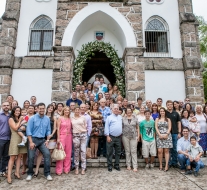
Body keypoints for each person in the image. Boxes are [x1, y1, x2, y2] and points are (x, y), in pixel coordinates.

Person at [26, 103, 52, 181]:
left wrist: (47, 140)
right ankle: (30, 173)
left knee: (47, 154)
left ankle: (47, 173)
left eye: (43, 108)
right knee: (31, 157)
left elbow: (48, 130)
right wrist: (30, 142)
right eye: (40, 108)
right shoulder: (32, 118)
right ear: (37, 109)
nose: (41, 110)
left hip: (42, 140)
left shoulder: (47, 118)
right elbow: (28, 130)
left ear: (45, 109)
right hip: (33, 139)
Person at [7, 106, 27, 184]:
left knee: (20, 156)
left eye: (19, 111)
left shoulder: (21, 119)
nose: (18, 112)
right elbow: (15, 128)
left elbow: (24, 128)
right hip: (15, 139)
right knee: (12, 157)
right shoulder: (11, 119)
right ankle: (9, 176)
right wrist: (20, 120)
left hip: (22, 139)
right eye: (17, 111)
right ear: (13, 111)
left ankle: (17, 173)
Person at [105, 104, 122, 172]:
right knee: (109, 152)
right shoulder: (109, 117)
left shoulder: (120, 117)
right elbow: (106, 127)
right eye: (114, 109)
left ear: (118, 110)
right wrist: (107, 136)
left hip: (118, 137)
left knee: (118, 152)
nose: (116, 110)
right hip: (111, 137)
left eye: (117, 109)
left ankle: (116, 164)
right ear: (112, 110)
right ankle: (109, 165)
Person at [56, 106, 72, 175]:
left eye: (68, 110)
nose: (67, 111)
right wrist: (58, 138)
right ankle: (59, 170)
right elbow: (58, 128)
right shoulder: (60, 118)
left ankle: (66, 169)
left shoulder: (70, 119)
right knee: (61, 152)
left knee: (68, 153)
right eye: (65, 110)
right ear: (63, 111)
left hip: (69, 136)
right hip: (62, 136)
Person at [71, 106, 87, 175]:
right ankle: (76, 167)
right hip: (76, 135)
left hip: (83, 134)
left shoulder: (83, 117)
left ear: (80, 110)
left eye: (78, 110)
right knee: (76, 152)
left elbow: (85, 125)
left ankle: (83, 168)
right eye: (76, 110)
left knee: (83, 151)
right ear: (74, 111)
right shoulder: (71, 118)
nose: (77, 111)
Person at [122, 107, 139, 172]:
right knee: (127, 151)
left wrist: (138, 136)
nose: (129, 112)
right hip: (125, 136)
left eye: (130, 111)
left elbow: (137, 128)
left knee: (133, 151)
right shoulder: (123, 119)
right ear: (126, 112)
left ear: (132, 111)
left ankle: (135, 166)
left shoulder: (135, 118)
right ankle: (128, 165)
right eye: (127, 111)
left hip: (134, 136)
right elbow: (122, 127)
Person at [166, 100, 181, 167]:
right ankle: (169, 163)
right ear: (166, 105)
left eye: (171, 104)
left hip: (175, 133)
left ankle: (174, 162)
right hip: (167, 133)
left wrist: (179, 132)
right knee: (168, 149)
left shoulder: (176, 113)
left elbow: (179, 123)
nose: (170, 106)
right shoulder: (165, 113)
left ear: (173, 105)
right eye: (168, 104)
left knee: (174, 148)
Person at [0, 101, 10, 178]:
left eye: (7, 105)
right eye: (4, 105)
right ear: (2, 106)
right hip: (1, 138)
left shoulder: (11, 116)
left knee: (5, 156)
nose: (6, 106)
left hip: (9, 139)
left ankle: (2, 171)